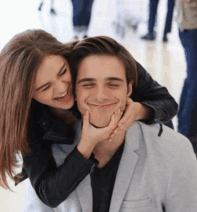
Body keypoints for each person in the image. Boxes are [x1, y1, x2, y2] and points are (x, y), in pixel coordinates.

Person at [0, 29, 178, 210]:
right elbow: (49, 194)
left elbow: (168, 104)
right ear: (27, 96)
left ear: (66, 56)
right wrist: (86, 144)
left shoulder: (104, 61)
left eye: (63, 72)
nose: (62, 89)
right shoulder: (29, 119)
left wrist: (140, 111)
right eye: (45, 87)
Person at [50, 36, 197, 211]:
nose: (101, 95)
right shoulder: (50, 152)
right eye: (88, 85)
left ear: (129, 89)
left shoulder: (175, 152)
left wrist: (141, 110)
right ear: (73, 90)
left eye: (112, 84)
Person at [175, 0, 197, 153]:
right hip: (192, 24)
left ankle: (185, 125)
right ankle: (188, 131)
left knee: (192, 78)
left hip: (189, 23)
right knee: (194, 79)